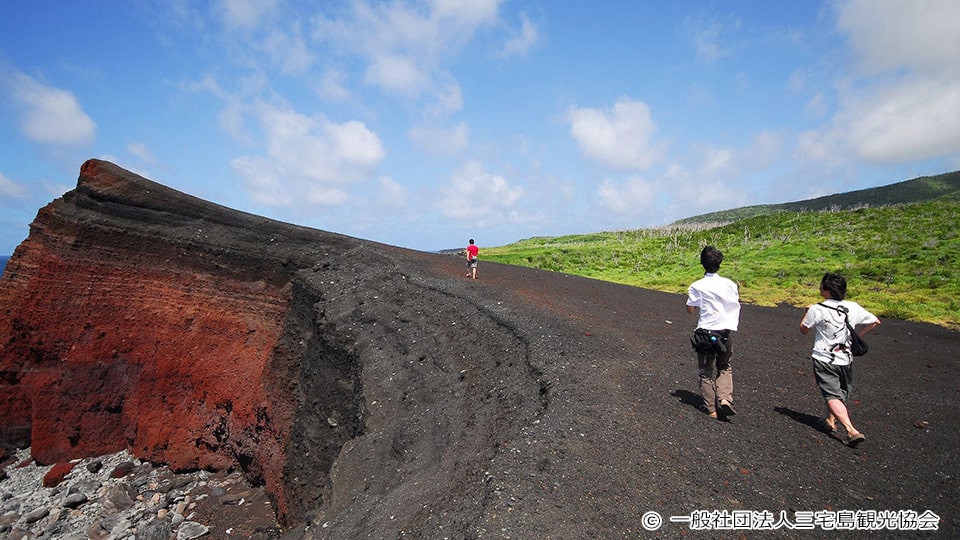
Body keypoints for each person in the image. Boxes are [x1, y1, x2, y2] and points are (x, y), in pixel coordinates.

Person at [800, 272, 880, 447]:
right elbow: (875, 321)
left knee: (832, 395)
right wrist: (855, 338)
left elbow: (804, 329)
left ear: (827, 290)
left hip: (824, 357)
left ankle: (851, 430)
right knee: (840, 392)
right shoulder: (853, 307)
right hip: (845, 358)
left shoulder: (817, 308)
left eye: (821, 285)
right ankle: (830, 421)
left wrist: (807, 313)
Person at [686, 246, 741, 420]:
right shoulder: (730, 284)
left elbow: (691, 310)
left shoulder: (697, 286)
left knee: (705, 370)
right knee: (725, 366)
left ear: (702, 263)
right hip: (725, 332)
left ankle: (711, 409)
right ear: (719, 263)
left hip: (705, 331)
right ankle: (725, 399)